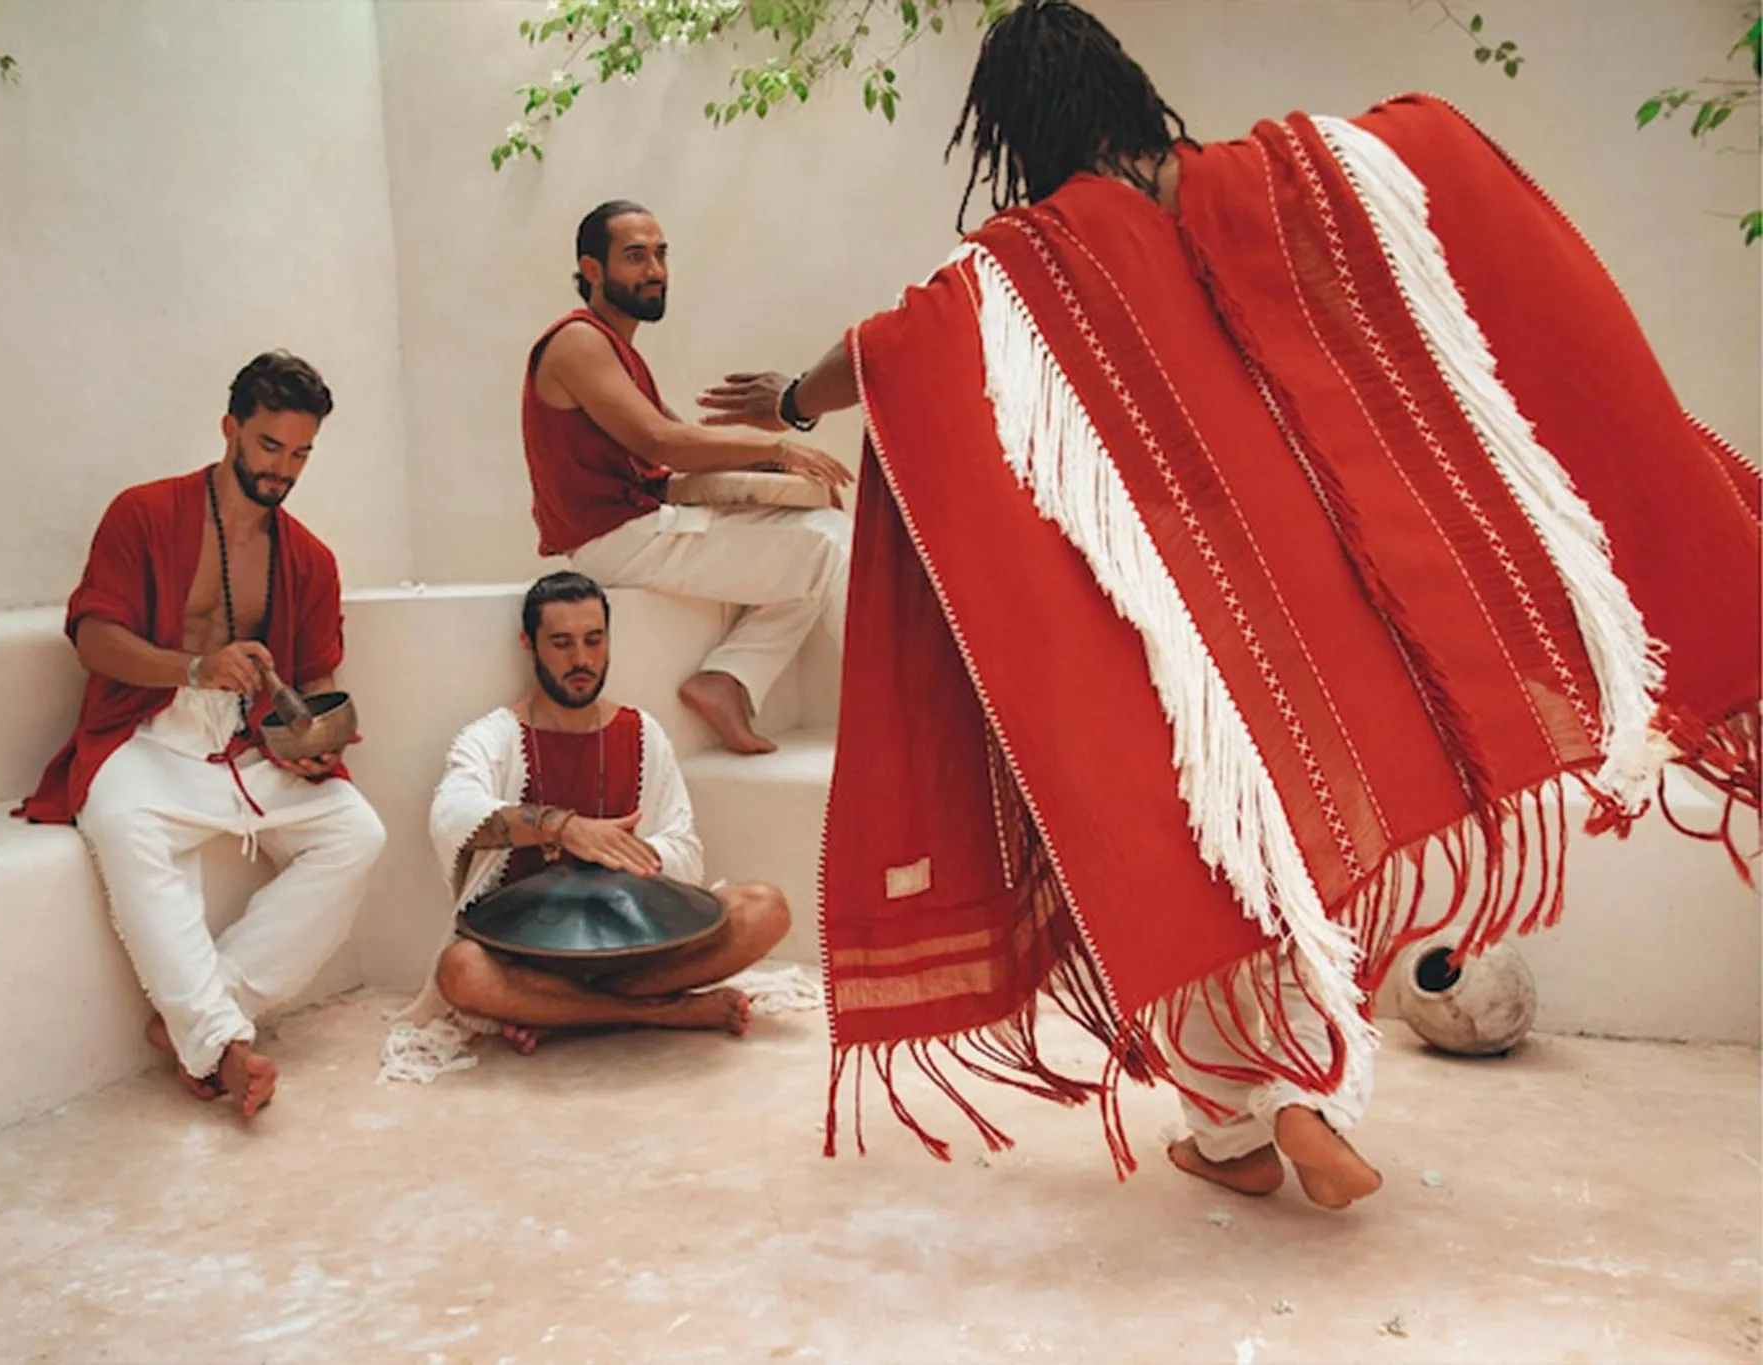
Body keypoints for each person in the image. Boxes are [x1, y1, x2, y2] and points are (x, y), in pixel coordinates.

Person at [705, 0, 1759, 1207]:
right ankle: (1248, 1127)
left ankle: (1271, 1102)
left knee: (1200, 849)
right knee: (1321, 830)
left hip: (1178, 622)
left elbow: (891, 343)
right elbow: (1419, 151)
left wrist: (790, 401)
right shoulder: (1284, 173)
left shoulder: (1022, 261)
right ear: (1122, 86)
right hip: (1329, 588)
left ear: (1011, 125)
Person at [17, 352, 388, 1117]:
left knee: (357, 832)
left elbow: (317, 674)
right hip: (147, 730)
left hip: (247, 744)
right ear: (230, 429)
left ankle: (203, 1010)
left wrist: (317, 734)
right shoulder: (145, 512)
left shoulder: (310, 558)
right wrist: (194, 667)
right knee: (121, 821)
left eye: (299, 454)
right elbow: (93, 638)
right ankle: (220, 1045)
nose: (282, 469)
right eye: (268, 446)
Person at [522, 200, 857, 755]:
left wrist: (769, 450)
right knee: (830, 549)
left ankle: (728, 680)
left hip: (638, 528)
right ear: (593, 270)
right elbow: (661, 442)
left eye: (660, 255)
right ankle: (899, 715)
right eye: (635, 257)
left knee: (817, 531)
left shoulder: (615, 349)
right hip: (614, 537)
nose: (654, 271)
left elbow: (673, 443)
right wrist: (777, 446)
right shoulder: (577, 341)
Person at [417, 572, 793, 1055]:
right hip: (532, 958)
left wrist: (614, 855)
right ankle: (662, 1012)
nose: (581, 660)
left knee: (766, 908)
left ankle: (565, 1013)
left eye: (594, 641)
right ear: (529, 644)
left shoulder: (641, 732)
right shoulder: (494, 737)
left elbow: (684, 850)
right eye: (562, 643)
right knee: (461, 971)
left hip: (638, 950)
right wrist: (563, 829)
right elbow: (452, 812)